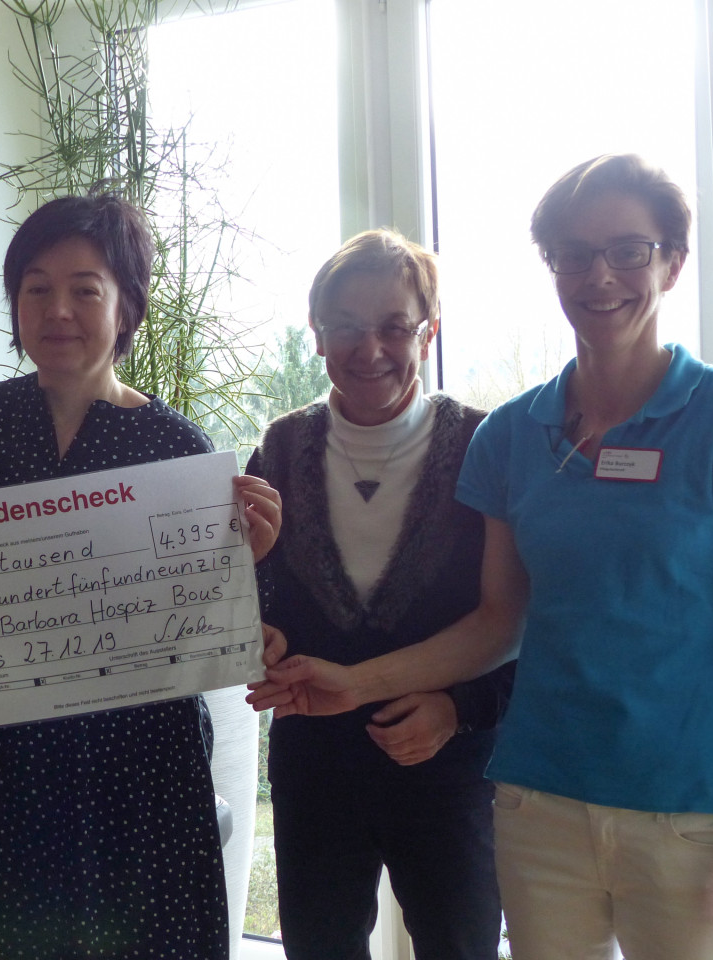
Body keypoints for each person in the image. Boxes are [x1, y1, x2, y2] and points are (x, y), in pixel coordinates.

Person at [249, 155, 713, 959]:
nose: (600, 275)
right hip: (535, 804)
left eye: (628, 249)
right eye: (573, 254)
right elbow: (499, 622)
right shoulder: (513, 436)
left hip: (689, 812)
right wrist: (345, 682)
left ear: (673, 261)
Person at [0, 191, 282, 959]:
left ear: (125, 307)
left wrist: (243, 561)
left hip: (143, 769)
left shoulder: (178, 448)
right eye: (36, 287)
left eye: (86, 288)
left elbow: (223, 614)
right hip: (9, 769)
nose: (59, 309)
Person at [246, 229, 513, 960]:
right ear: (317, 335)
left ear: (430, 330)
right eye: (346, 328)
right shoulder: (277, 450)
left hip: (449, 767)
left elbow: (522, 620)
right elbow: (251, 594)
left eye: (395, 326)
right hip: (316, 769)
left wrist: (458, 711)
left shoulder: (484, 449)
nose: (371, 350)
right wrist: (256, 633)